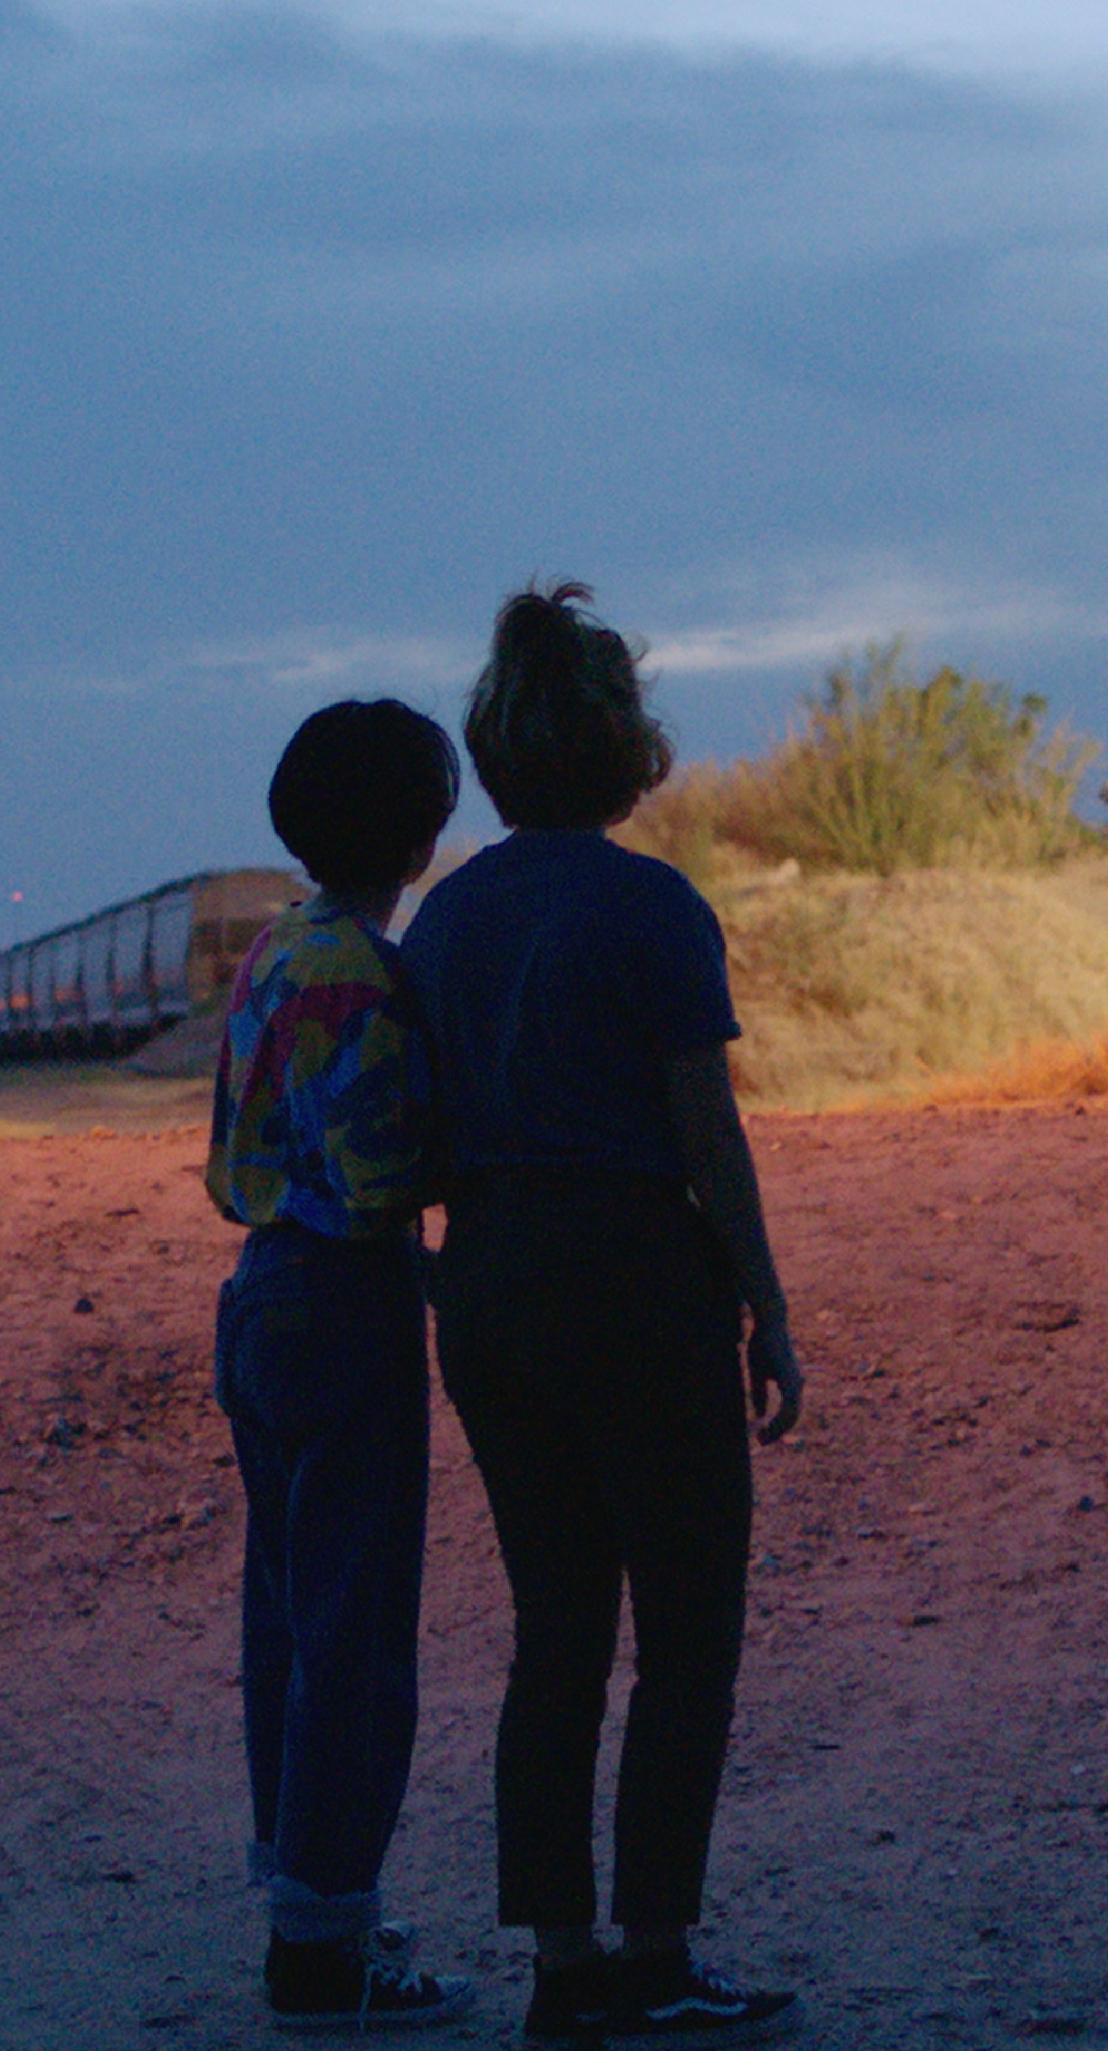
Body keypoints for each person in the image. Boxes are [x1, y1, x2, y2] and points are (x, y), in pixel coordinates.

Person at [401, 582, 809, 2047]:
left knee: (555, 1625)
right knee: (688, 1624)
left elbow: (420, 1131)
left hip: (491, 1283)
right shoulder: (654, 909)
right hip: (638, 1282)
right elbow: (709, 1134)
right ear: (628, 750)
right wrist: (765, 1305)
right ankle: (660, 1945)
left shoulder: (447, 922)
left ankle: (562, 1961)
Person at [202, 697, 475, 2033]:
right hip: (347, 1301)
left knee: (289, 1621)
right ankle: (326, 1945)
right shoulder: (372, 975)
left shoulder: (270, 954)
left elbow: (236, 1144)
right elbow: (376, 1177)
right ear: (425, 831)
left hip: (257, 1293)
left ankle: (305, 1896)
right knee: (358, 1634)